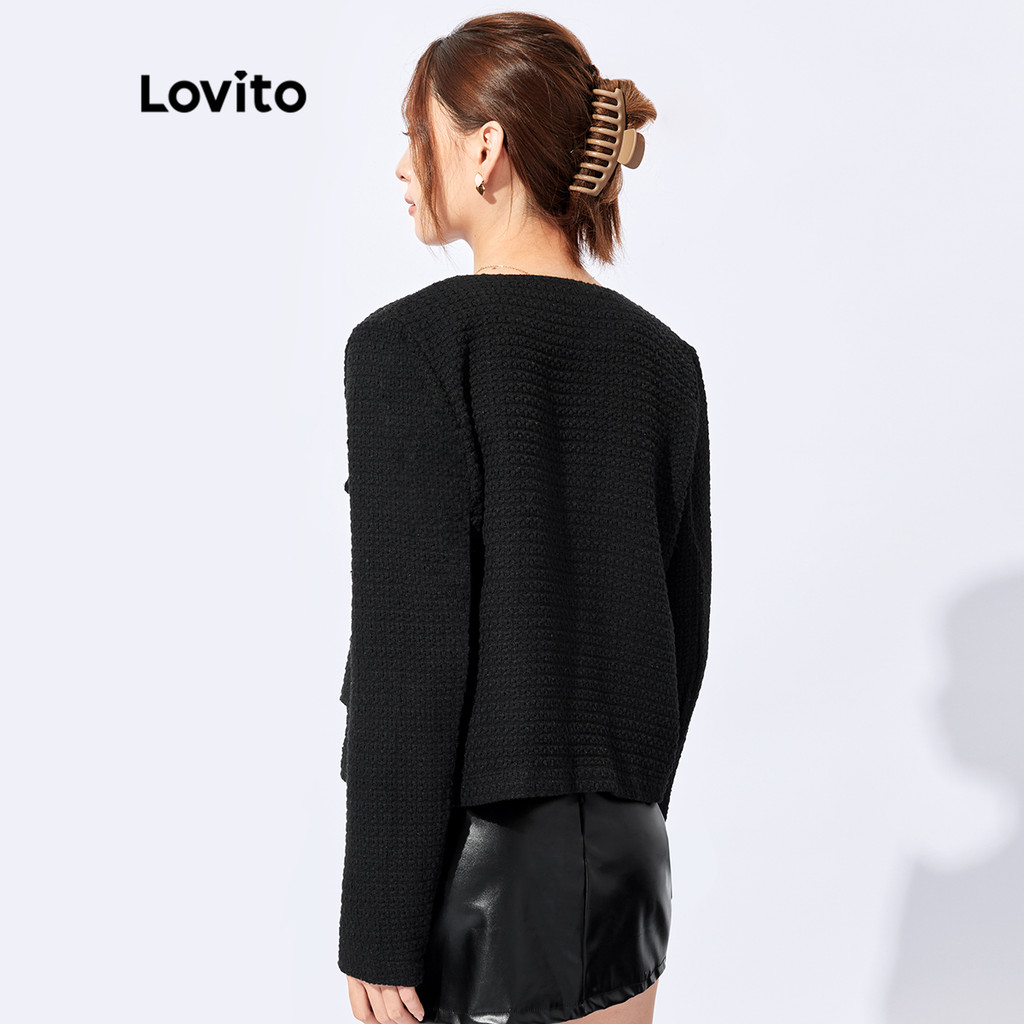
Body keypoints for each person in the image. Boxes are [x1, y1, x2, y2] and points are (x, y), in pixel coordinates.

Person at [337, 12, 712, 1024]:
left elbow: (412, 649)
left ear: (484, 148)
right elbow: (683, 629)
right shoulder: (663, 364)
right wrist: (625, 812)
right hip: (626, 856)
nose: (402, 165)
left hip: (475, 868)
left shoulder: (412, 348)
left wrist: (379, 919)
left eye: (415, 134)